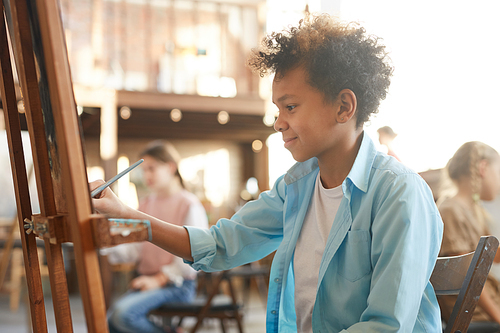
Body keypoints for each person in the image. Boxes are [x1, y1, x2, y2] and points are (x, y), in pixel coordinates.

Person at [92, 14, 443, 332]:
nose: (278, 123)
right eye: (278, 108)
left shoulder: (398, 193)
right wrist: (126, 215)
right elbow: (220, 245)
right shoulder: (297, 186)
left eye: (290, 106)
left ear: (343, 106)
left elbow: (385, 327)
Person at [106, 140, 209, 333]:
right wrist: (103, 241)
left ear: (171, 167)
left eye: (151, 169)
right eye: (144, 170)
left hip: (177, 286)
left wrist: (158, 280)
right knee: (110, 321)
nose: (146, 175)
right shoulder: (146, 204)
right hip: (148, 281)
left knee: (122, 316)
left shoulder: (189, 204)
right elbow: (135, 249)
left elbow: (194, 257)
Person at [437, 141, 500, 332]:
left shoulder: (473, 212)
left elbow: (494, 257)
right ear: (483, 168)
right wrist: (498, 317)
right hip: (473, 317)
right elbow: (471, 277)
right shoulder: (451, 210)